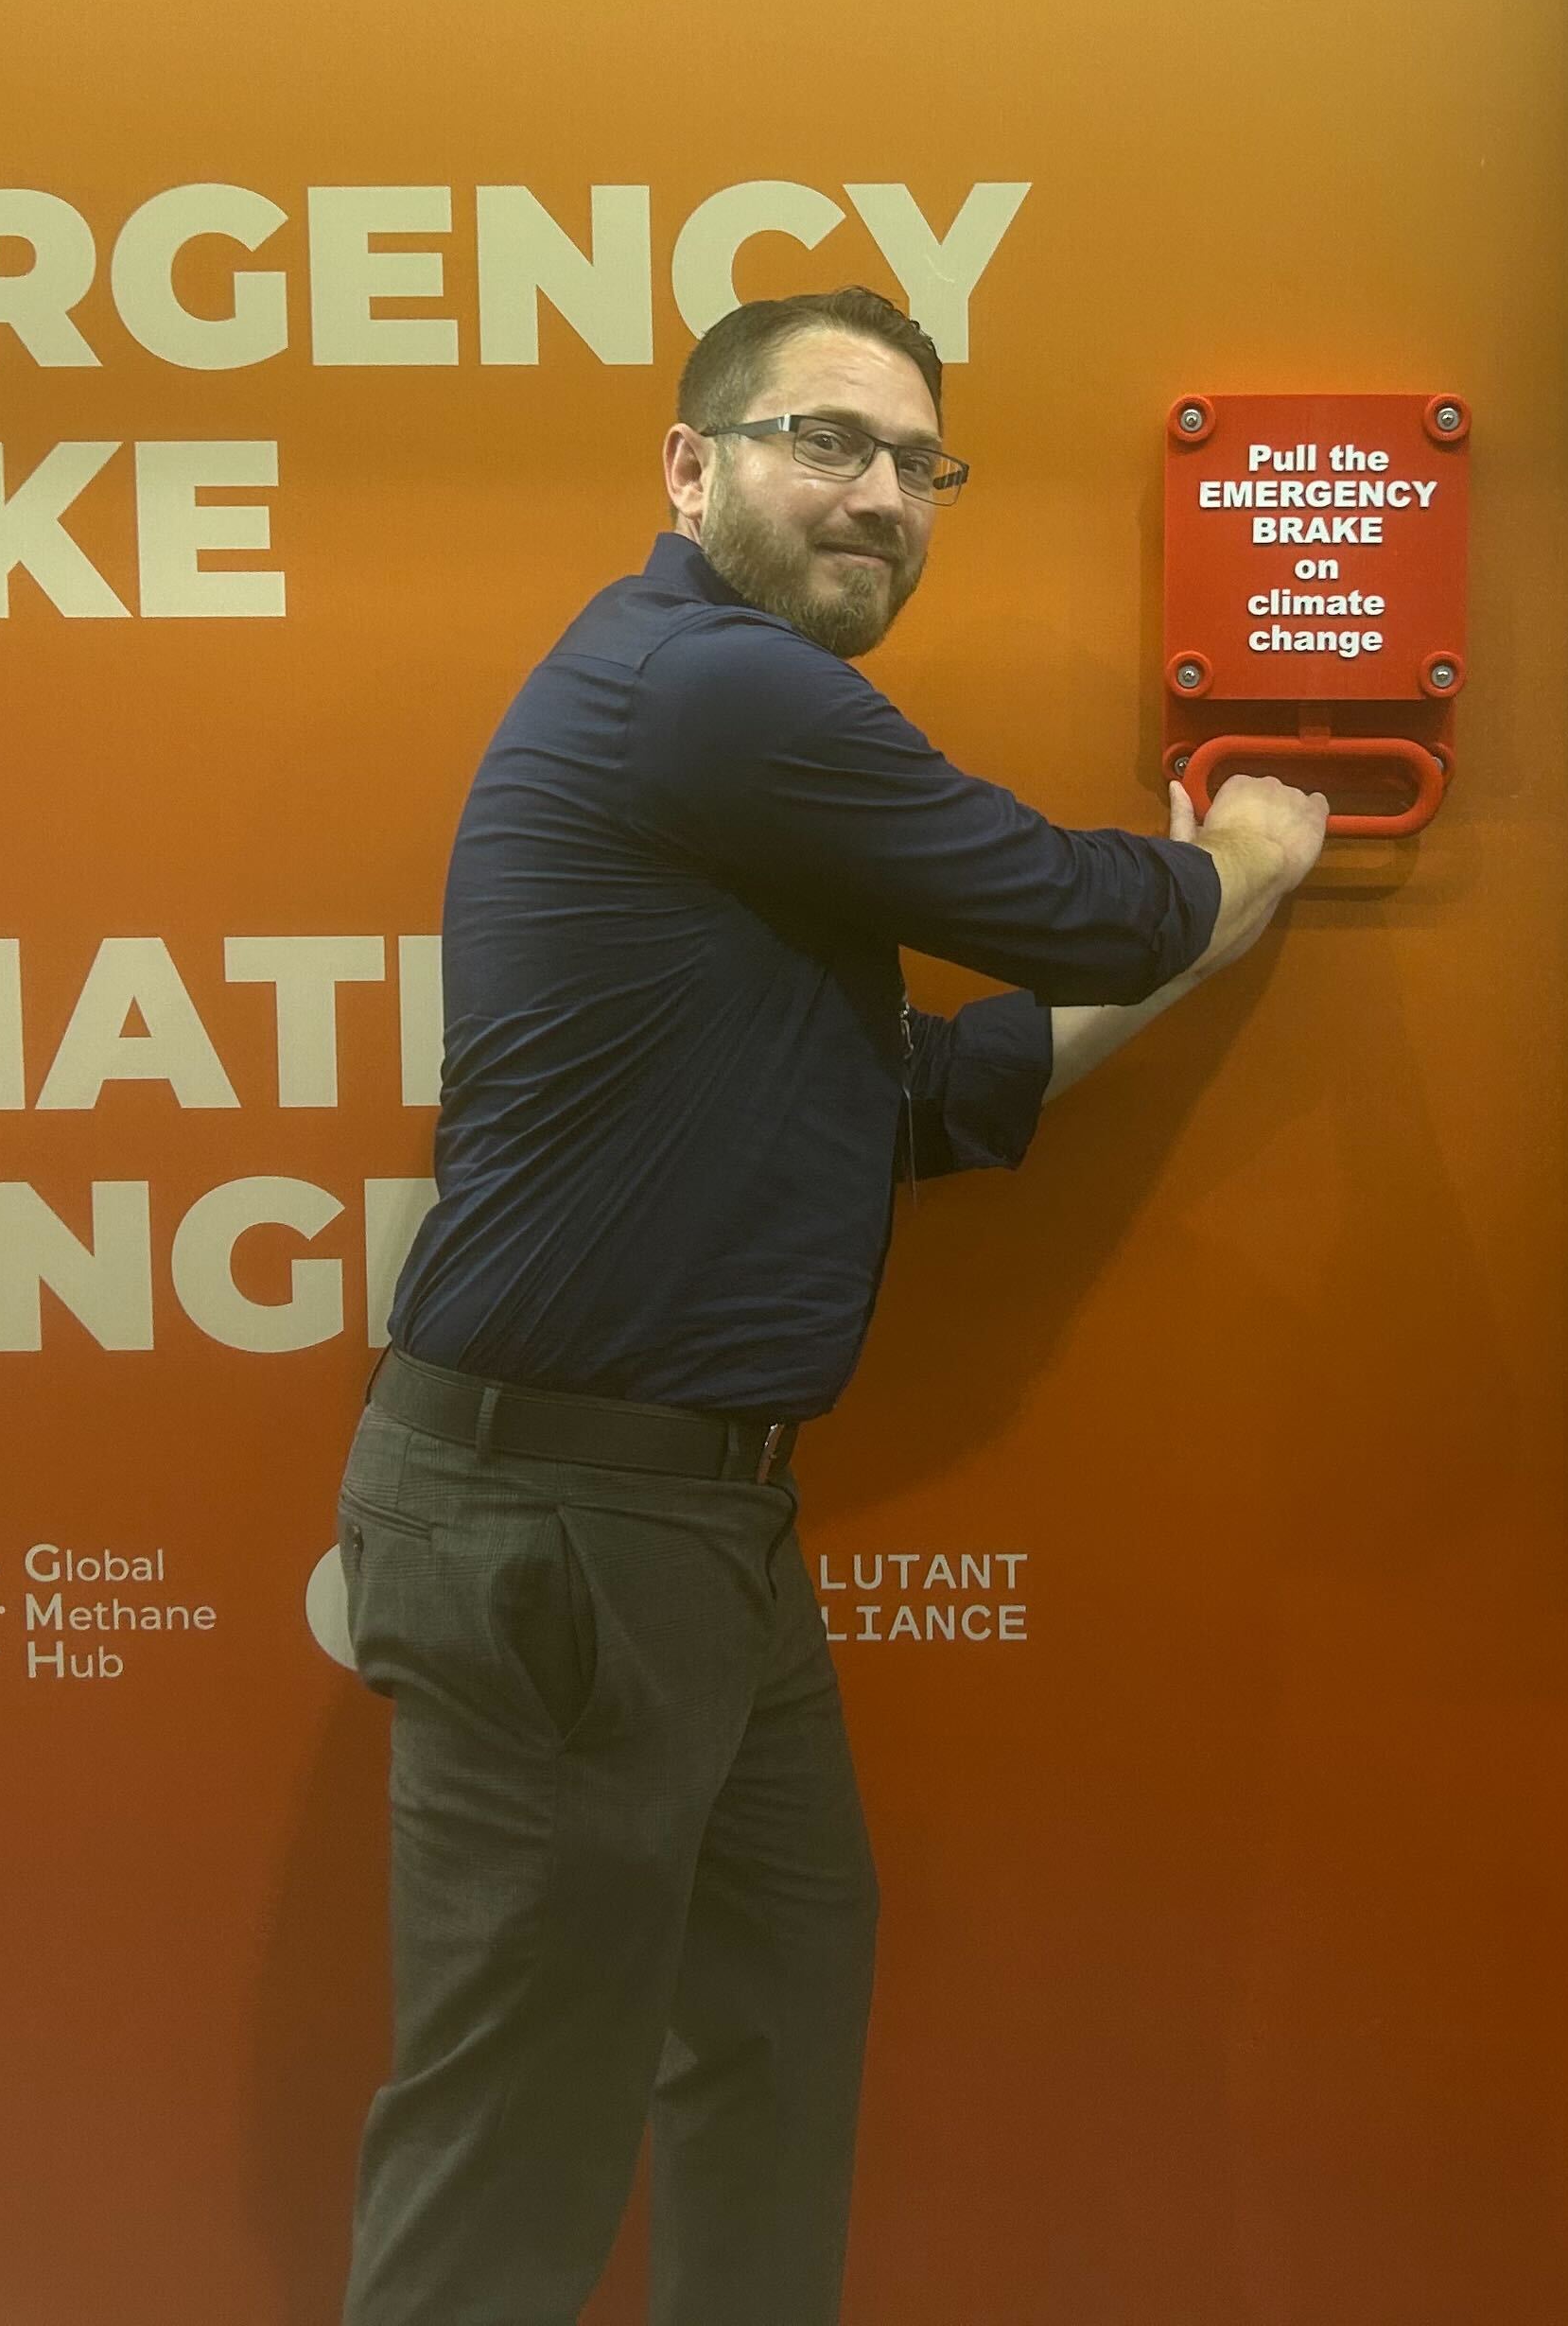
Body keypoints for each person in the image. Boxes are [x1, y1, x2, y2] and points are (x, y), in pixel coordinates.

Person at [333, 285, 1327, 2325]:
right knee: (513, 2159)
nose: (879, 494)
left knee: (770, 2025)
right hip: (569, 1534)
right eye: (824, 441)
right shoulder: (713, 696)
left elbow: (930, 1096)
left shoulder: (731, 774)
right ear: (690, 468)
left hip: (690, 1529)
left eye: (915, 463)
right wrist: (1233, 859)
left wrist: (1207, 929)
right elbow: (1070, 902)